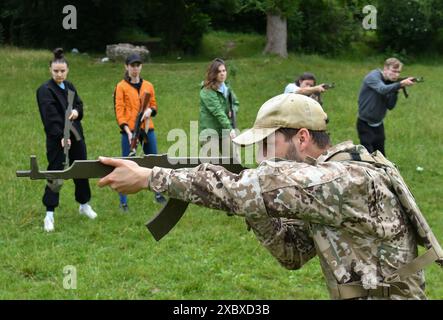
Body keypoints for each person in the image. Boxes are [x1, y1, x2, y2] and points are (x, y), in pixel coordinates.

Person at [97, 93, 437, 300]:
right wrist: (254, 205)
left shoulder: (344, 180)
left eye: (266, 145)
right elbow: (292, 252)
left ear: (301, 138)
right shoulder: (322, 186)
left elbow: (259, 186)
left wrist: (151, 178)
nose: (261, 158)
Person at [36, 48, 97, 232]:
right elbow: (50, 116)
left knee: (82, 168)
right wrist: (61, 136)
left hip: (76, 135)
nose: (59, 74)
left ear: (67, 70)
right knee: (55, 173)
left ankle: (84, 204)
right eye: (56, 71)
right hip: (57, 139)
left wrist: (77, 112)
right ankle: (49, 213)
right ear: (50, 70)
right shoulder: (45, 90)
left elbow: (78, 104)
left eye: (62, 71)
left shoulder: (69, 86)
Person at [114, 53, 166, 210]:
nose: (135, 69)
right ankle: (123, 201)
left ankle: (158, 193)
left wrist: (150, 110)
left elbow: (154, 105)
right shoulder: (121, 86)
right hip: (129, 131)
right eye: (132, 66)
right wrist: (127, 131)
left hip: (147, 129)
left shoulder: (148, 85)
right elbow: (119, 110)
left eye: (137, 65)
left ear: (141, 67)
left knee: (154, 162)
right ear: (126, 67)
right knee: (126, 164)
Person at [357, 57, 416, 156]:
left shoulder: (390, 84)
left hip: (378, 125)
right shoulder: (373, 76)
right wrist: (400, 84)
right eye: (393, 71)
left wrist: (396, 91)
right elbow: (382, 89)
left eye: (398, 72)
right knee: (368, 158)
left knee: (381, 156)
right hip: (365, 124)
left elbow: (390, 106)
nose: (396, 75)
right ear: (385, 68)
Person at [199, 58, 239, 157]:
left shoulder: (227, 88)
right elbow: (218, 112)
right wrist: (230, 129)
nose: (222, 74)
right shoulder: (207, 91)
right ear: (213, 73)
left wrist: (232, 110)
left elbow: (235, 103)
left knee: (233, 161)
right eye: (219, 71)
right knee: (212, 166)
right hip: (210, 132)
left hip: (224, 130)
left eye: (224, 71)